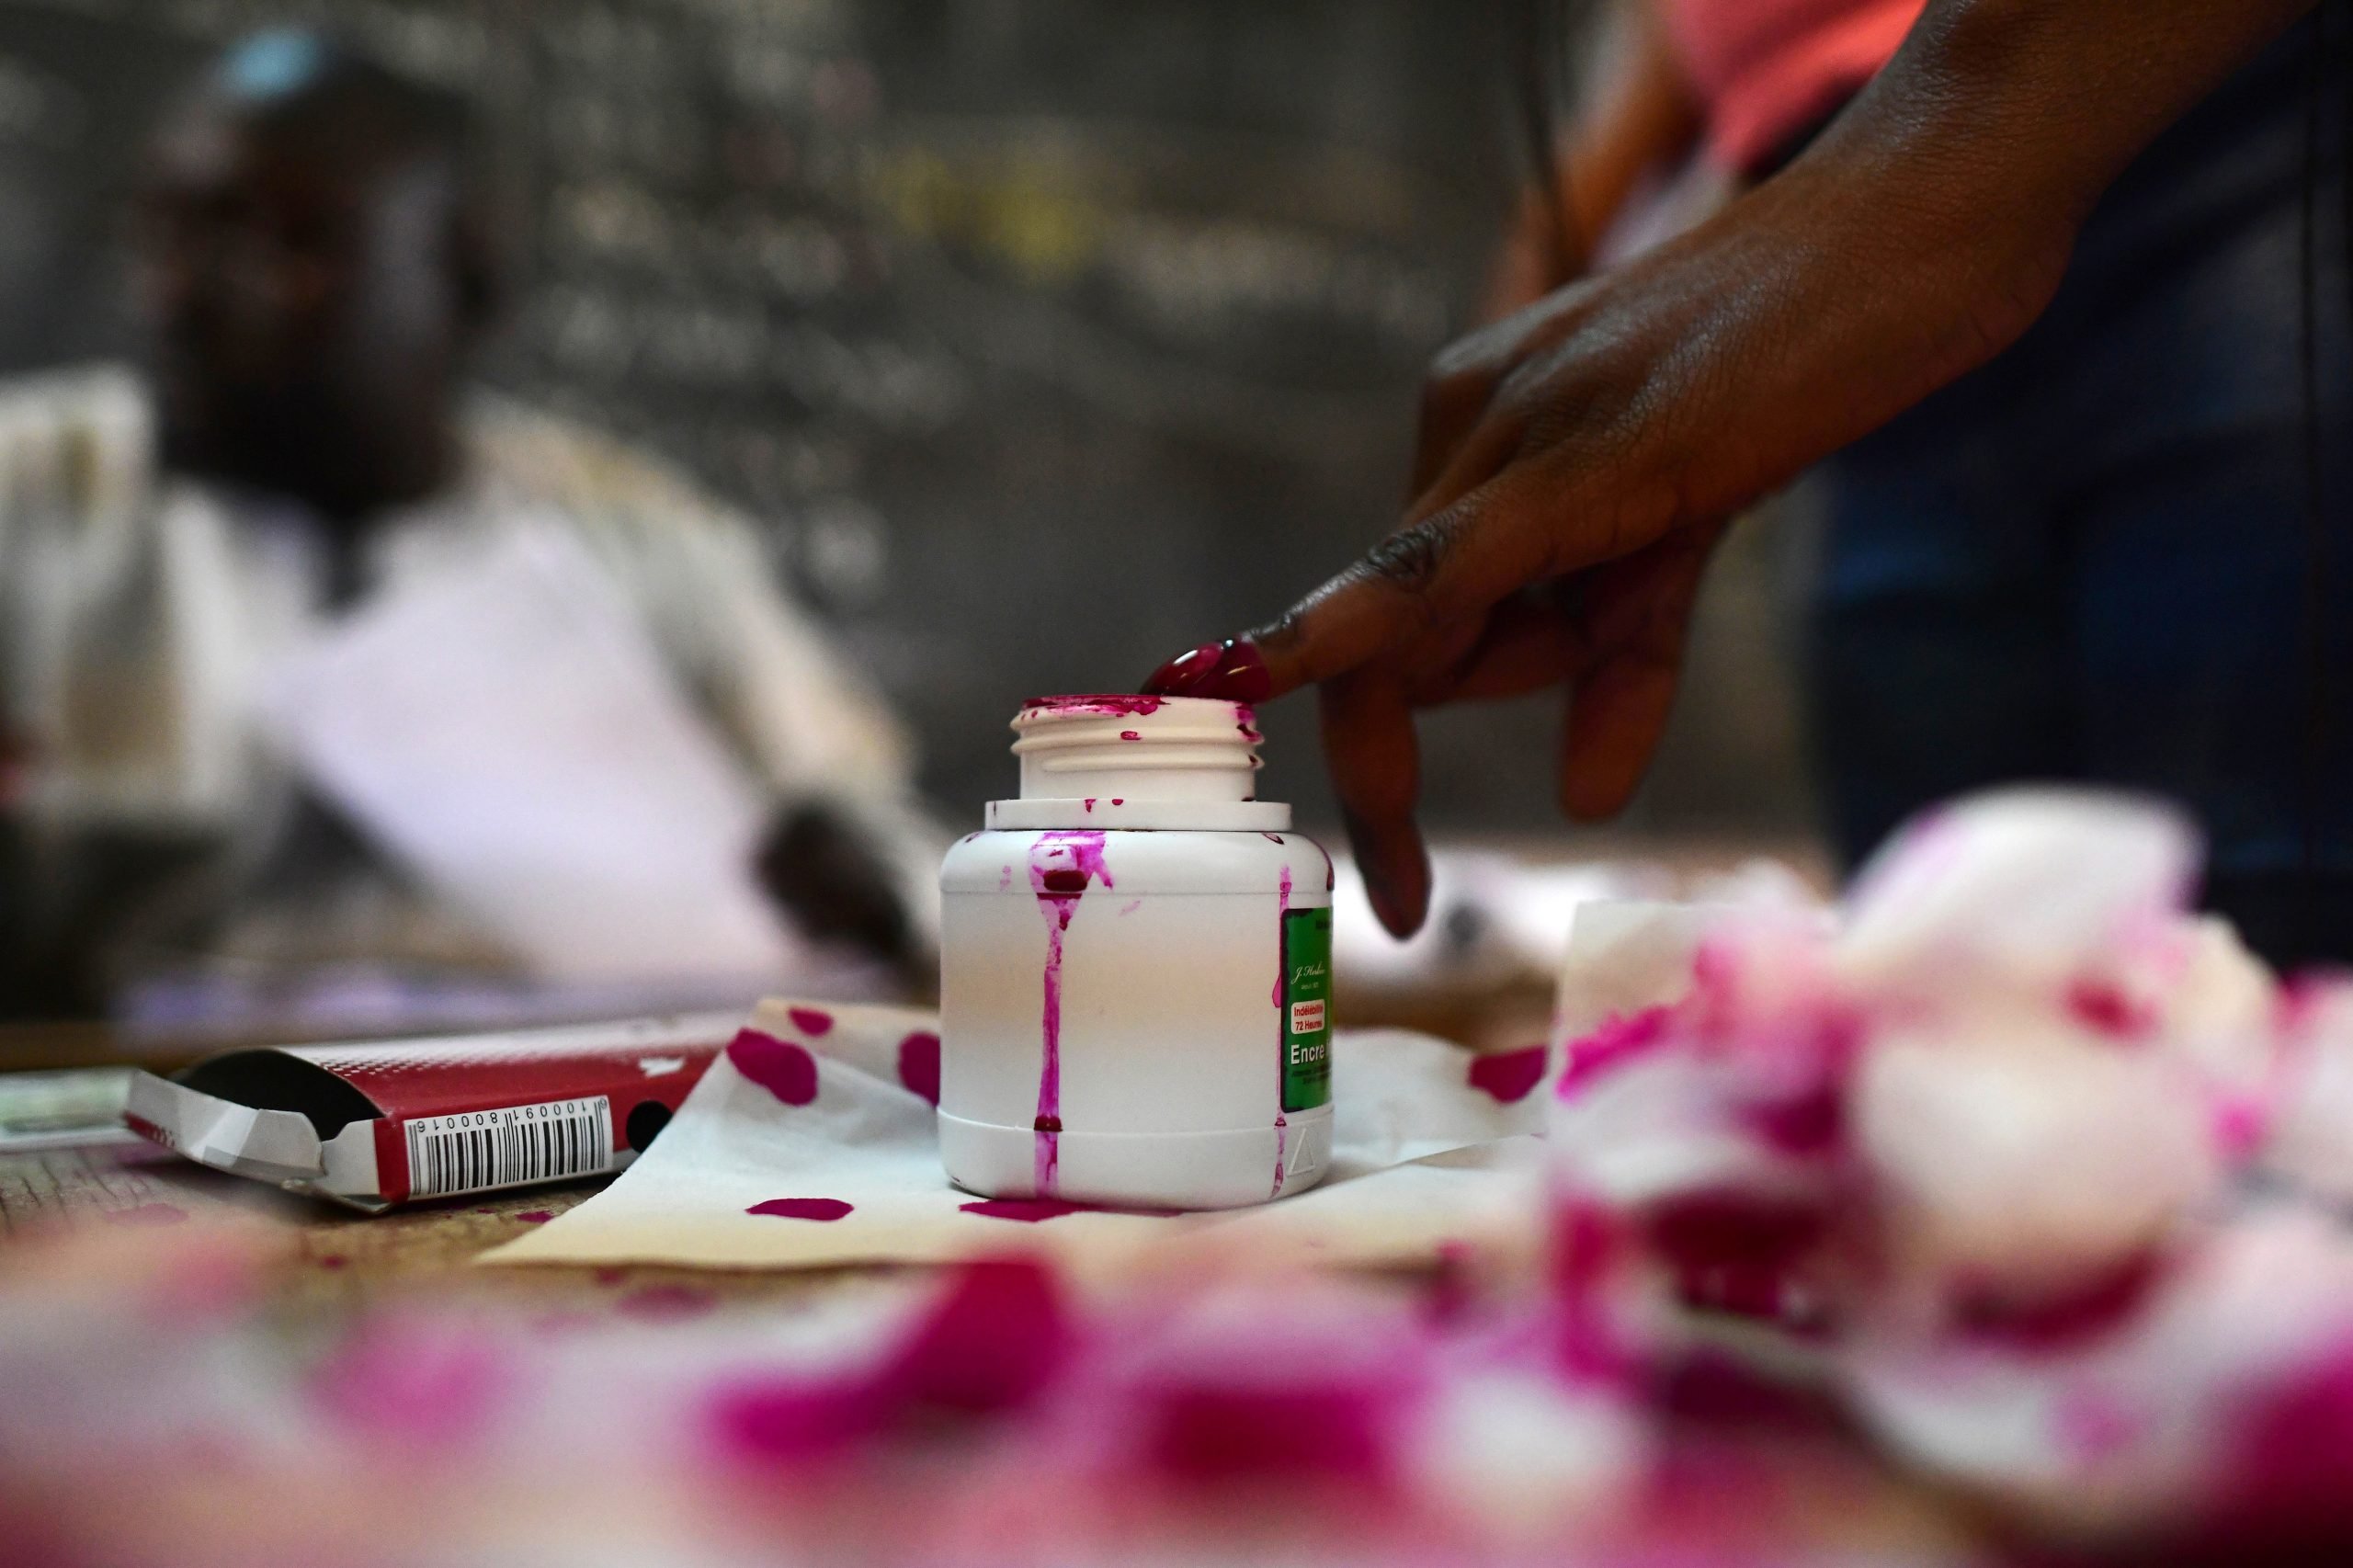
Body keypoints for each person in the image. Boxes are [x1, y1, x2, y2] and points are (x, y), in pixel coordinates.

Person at [1144, 0, 2346, 966]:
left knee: (2276, 987)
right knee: (1955, 1011)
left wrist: (1926, 152)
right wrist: (1591, 211)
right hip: (1853, 212)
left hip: (2183, 106)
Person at [0, 31, 936, 1023]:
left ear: (465, 276)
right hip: (121, 1093)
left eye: (285, 242)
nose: (180, 292)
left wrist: (862, 880)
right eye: (166, 232)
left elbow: (887, 833)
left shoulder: (636, 535)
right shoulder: (35, 494)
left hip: (558, 1102)